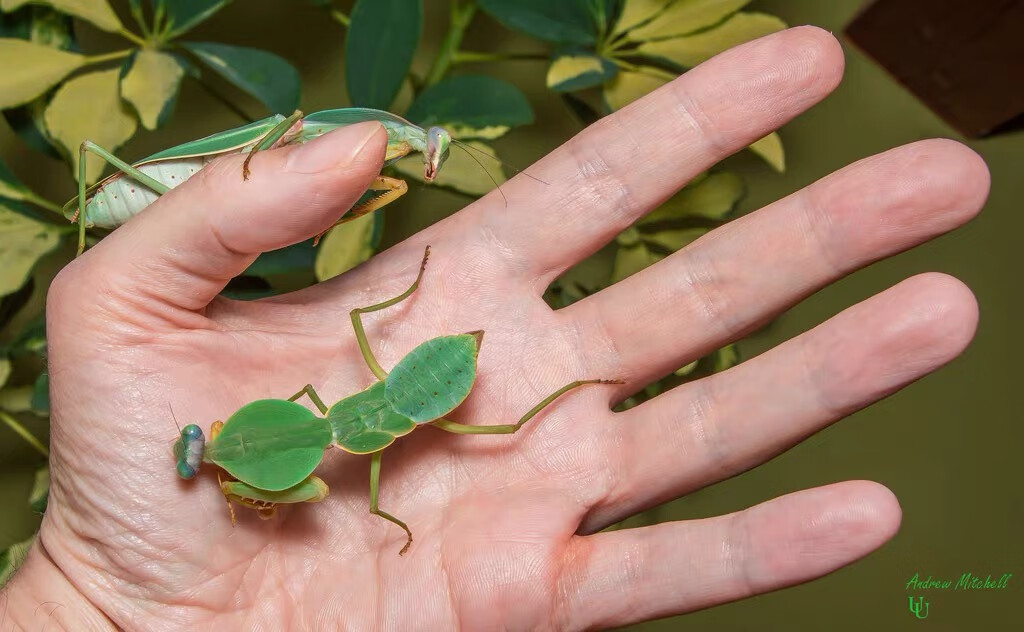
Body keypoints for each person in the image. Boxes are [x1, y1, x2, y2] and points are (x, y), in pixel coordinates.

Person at [0, 27, 988, 629]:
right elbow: (297, 451)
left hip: (417, 387)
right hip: (404, 391)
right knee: (479, 425)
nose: (234, 460)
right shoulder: (318, 443)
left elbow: (302, 455)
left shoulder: (330, 446)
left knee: (499, 420)